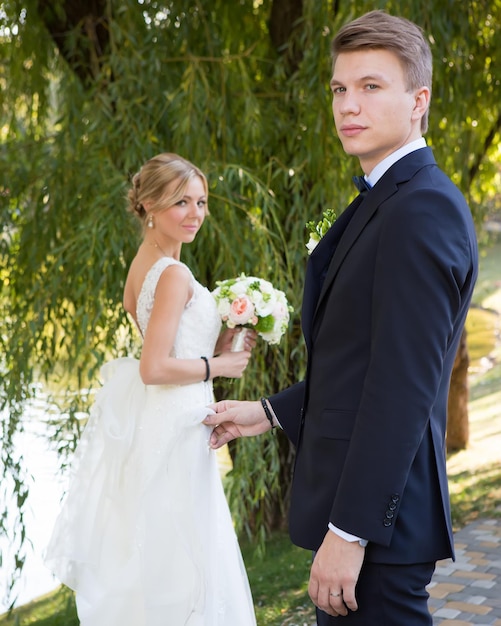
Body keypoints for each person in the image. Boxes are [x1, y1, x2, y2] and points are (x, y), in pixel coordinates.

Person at [203, 10, 478, 626]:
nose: (348, 104)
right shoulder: (387, 200)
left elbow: (401, 388)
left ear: (418, 100)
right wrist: (268, 412)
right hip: (371, 517)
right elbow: (358, 364)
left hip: (378, 529)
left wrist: (349, 534)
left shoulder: (421, 211)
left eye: (371, 86)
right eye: (339, 89)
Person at [45, 152, 257, 626]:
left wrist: (218, 339)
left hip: (165, 418)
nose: (196, 214)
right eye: (181, 202)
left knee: (164, 545)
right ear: (149, 205)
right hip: (177, 422)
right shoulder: (174, 273)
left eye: (201, 202)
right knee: (185, 547)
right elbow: (154, 366)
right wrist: (219, 363)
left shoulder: (143, 268)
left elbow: (167, 347)